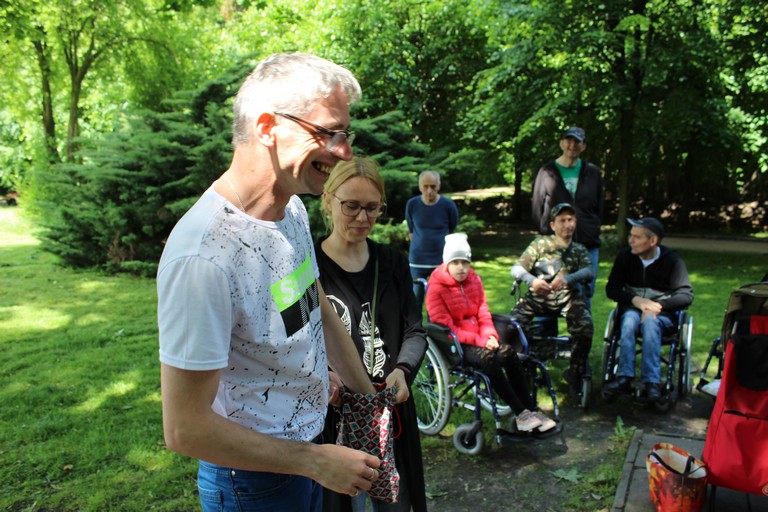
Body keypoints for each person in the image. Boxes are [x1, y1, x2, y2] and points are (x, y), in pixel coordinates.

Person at [156, 53, 383, 512]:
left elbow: (311, 304)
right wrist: (314, 462)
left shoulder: (292, 209)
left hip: (310, 451)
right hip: (252, 483)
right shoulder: (203, 256)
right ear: (267, 128)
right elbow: (185, 428)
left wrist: (370, 403)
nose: (344, 152)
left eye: (346, 135)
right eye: (328, 133)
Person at [316, 157, 428, 512]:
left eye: (372, 208)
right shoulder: (306, 266)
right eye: (351, 206)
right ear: (328, 200)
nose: (363, 218)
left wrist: (403, 370)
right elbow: (290, 340)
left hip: (388, 416)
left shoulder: (392, 262)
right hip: (332, 420)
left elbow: (415, 330)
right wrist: (323, 376)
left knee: (395, 504)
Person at [426, 233, 557, 433]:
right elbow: (447, 328)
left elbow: (483, 313)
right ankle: (521, 413)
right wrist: (480, 340)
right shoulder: (436, 288)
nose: (461, 267)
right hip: (455, 344)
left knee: (507, 353)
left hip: (481, 338)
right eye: (456, 262)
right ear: (447, 264)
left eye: (465, 262)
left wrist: (490, 335)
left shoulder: (474, 280)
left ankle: (531, 409)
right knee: (489, 359)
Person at [603, 217, 694, 401]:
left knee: (651, 323)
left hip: (663, 316)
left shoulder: (672, 261)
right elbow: (612, 289)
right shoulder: (625, 257)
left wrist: (658, 306)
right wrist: (636, 300)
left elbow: (686, 295)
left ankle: (652, 382)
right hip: (632, 310)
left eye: (637, 237)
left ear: (653, 241)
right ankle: (624, 377)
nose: (631, 241)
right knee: (629, 321)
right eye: (631, 236)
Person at [510, 203, 594, 395]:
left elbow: (589, 271)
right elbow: (516, 268)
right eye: (562, 220)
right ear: (553, 225)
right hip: (538, 298)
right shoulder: (540, 244)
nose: (567, 224)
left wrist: (568, 279)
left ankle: (575, 371)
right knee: (514, 325)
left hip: (567, 298)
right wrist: (532, 281)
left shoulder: (579, 249)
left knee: (585, 326)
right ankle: (523, 367)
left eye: (570, 220)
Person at [532, 127, 603, 308]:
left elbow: (599, 207)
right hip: (554, 247)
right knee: (549, 295)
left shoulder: (592, 172)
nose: (572, 145)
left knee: (584, 296)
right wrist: (547, 234)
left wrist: (591, 228)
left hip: (587, 243)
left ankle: (581, 327)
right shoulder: (547, 171)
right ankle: (547, 328)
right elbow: (537, 207)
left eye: (577, 141)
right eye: (568, 140)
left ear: (583, 146)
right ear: (561, 143)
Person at [405, 170, 459, 305]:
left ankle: (434, 321)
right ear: (420, 187)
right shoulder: (412, 204)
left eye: (433, 187)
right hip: (417, 261)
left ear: (439, 186)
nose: (429, 191)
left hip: (440, 261)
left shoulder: (448, 205)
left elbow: (451, 227)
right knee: (414, 302)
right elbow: (411, 229)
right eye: (425, 187)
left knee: (438, 303)